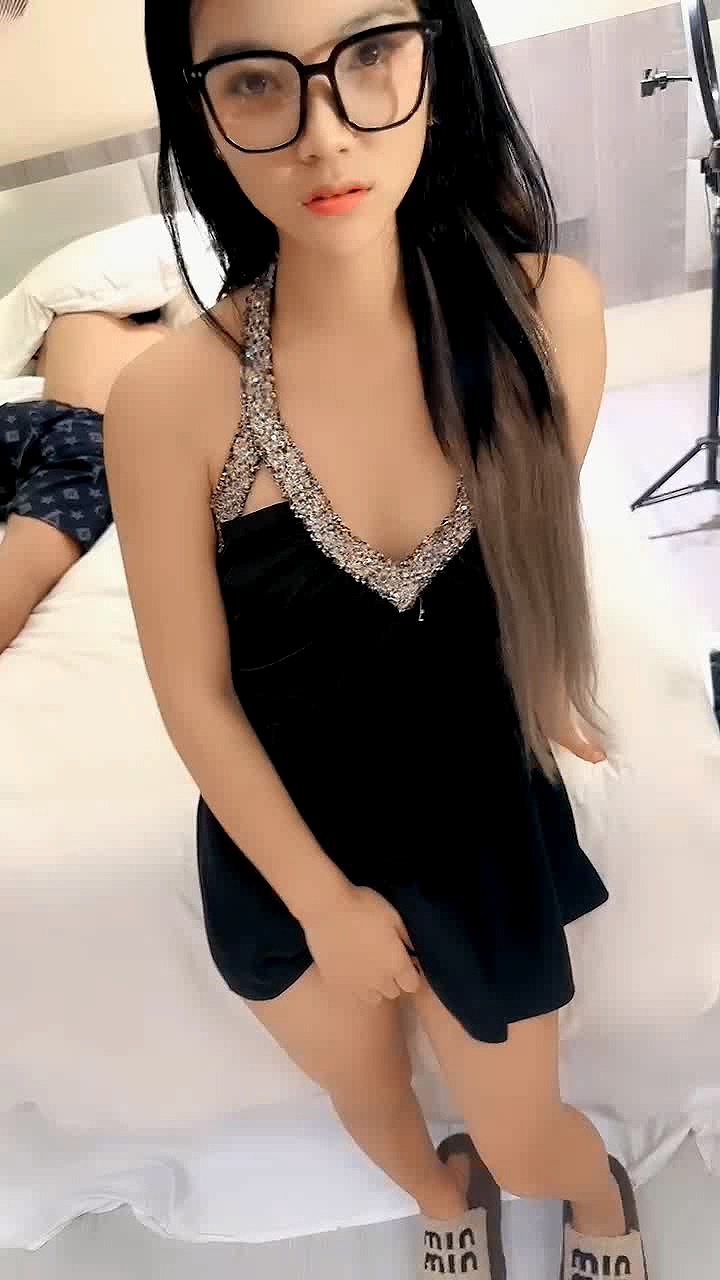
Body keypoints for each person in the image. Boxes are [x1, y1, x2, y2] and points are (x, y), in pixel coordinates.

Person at [104, 3, 649, 1277]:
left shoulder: (545, 312)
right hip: (282, 841)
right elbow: (192, 693)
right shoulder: (165, 397)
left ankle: (594, 1194)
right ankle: (437, 1195)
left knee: (526, 1138)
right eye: (257, 82)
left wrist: (551, 685)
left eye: (368, 55)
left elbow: (533, 549)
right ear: (202, 112)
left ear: (435, 58)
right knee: (375, 1106)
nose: (326, 133)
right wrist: (321, 900)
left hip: (472, 818)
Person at [0, 310, 168, 654]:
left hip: (26, 416)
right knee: (17, 576)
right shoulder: (173, 342)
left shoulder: (69, 320)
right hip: (90, 439)